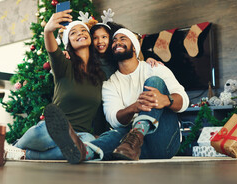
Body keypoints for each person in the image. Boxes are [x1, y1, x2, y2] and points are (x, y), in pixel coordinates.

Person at [45, 27, 189, 164]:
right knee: (114, 134)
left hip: (164, 141)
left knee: (154, 82)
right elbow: (114, 118)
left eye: (123, 38)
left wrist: (167, 100)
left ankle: (137, 135)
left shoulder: (154, 68)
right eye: (114, 40)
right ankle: (84, 152)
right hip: (131, 149)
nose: (117, 42)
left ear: (134, 47)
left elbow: (184, 101)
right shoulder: (110, 84)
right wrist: (134, 108)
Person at [6, 9, 105, 160]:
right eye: (73, 33)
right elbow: (52, 50)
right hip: (52, 129)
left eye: (83, 30)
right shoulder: (63, 66)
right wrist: (48, 31)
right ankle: (17, 147)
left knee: (89, 146)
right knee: (43, 132)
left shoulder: (100, 76)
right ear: (68, 43)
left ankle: (25, 154)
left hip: (80, 135)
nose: (80, 33)